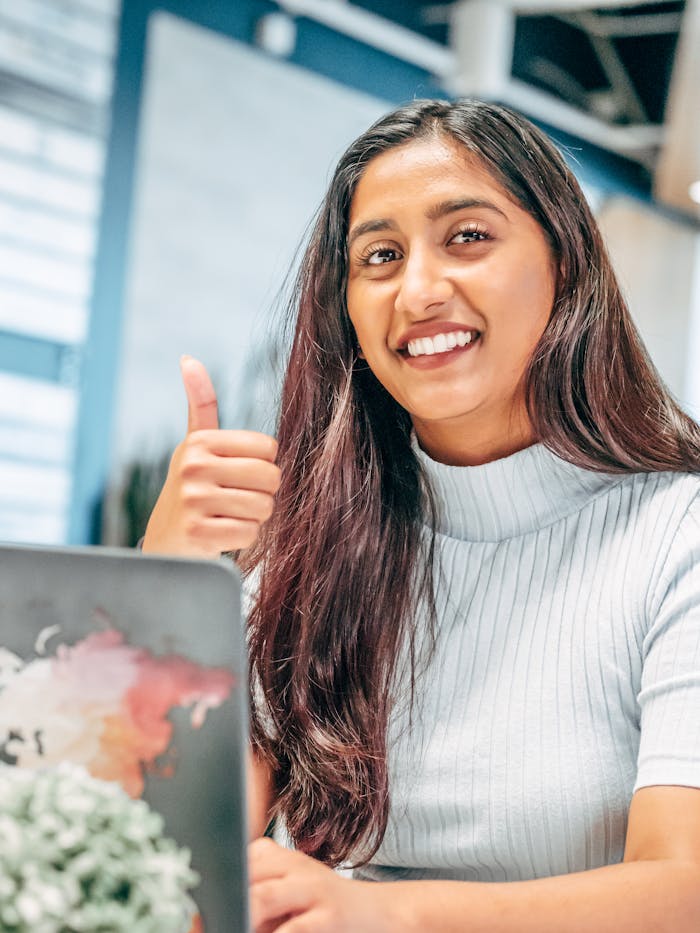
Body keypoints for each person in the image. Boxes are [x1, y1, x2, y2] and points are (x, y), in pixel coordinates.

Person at [142, 99, 700, 931]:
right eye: (380, 255)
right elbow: (164, 867)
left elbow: (683, 889)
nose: (421, 289)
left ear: (565, 261)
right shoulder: (309, 540)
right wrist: (167, 586)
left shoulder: (677, 532)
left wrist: (383, 914)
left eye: (467, 236)